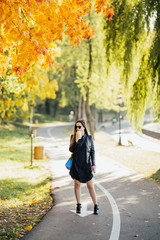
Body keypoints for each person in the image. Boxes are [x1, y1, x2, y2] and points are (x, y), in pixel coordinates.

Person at [69, 119, 99, 215]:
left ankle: (96, 205)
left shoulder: (89, 138)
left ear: (84, 127)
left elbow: (92, 152)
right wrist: (76, 140)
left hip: (86, 165)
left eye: (79, 127)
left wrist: (93, 164)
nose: (77, 128)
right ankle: (78, 204)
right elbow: (71, 149)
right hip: (76, 165)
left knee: (90, 186)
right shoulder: (73, 137)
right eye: (76, 127)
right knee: (77, 185)